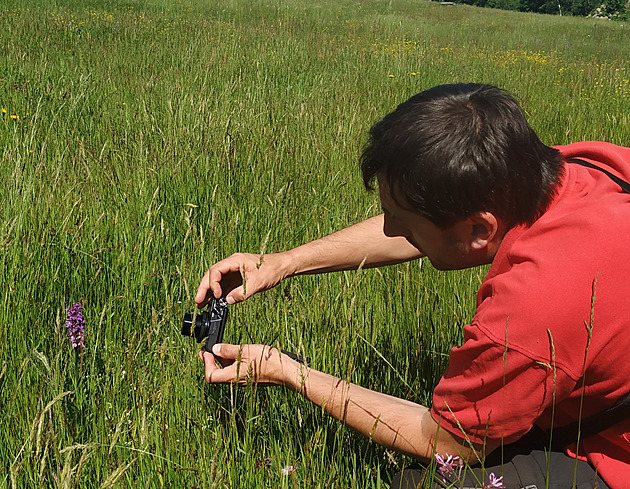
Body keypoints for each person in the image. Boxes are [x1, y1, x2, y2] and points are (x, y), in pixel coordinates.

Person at [195, 84, 630, 489]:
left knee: (425, 481)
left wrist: (290, 371)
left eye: (403, 222)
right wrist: (283, 262)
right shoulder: (584, 168)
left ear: (479, 228)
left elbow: (448, 442)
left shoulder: (537, 305)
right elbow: (430, 225)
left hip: (616, 453)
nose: (389, 228)